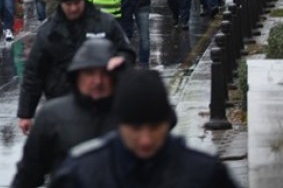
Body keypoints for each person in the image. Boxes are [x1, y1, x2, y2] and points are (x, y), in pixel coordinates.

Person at [50, 68, 240, 188]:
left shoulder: (205, 172)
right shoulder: (80, 174)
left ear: (168, 122)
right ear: (119, 123)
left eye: (155, 127)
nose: (146, 139)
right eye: (135, 128)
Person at [16, 0, 135, 134]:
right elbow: (34, 72)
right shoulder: (48, 31)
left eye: (77, 3)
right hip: (62, 104)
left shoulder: (104, 23)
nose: (73, 8)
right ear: (61, 4)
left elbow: (126, 52)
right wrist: (26, 113)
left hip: (100, 104)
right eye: (68, 4)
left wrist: (121, 60)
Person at [11, 38, 124, 188]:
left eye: (105, 73)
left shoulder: (130, 114)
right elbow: (28, 174)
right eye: (89, 72)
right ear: (77, 76)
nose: (98, 81)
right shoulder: (52, 116)